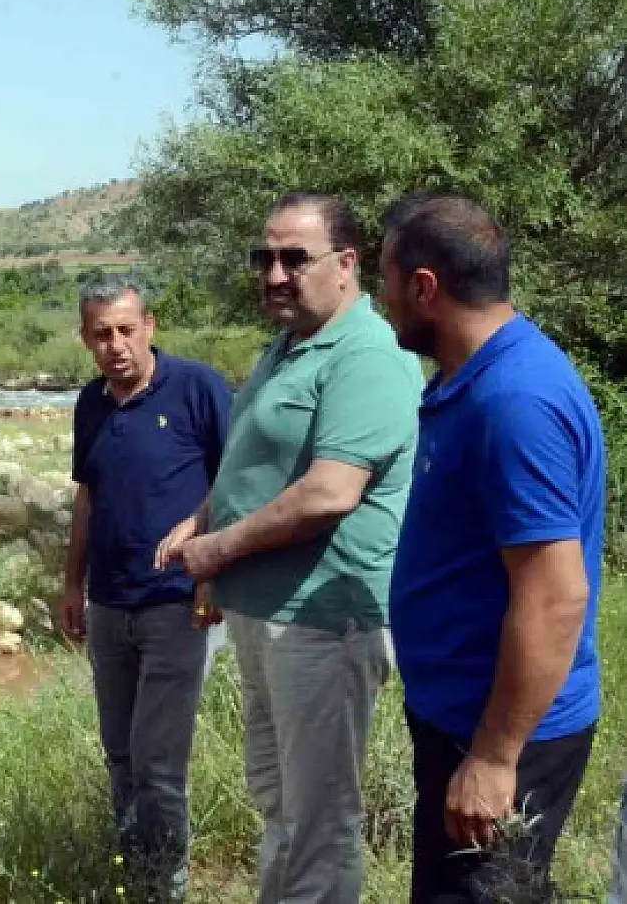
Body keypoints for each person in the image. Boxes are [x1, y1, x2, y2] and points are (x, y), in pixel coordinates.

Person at [157, 191, 424, 904]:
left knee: (318, 821)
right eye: (263, 258)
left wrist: (218, 550)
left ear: (346, 263)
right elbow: (257, 456)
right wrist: (202, 518)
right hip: (264, 615)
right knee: (278, 804)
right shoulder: (287, 346)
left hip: (322, 619)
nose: (273, 275)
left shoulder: (369, 355)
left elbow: (329, 492)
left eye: (292, 259)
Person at [377, 193, 603, 904]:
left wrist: (495, 756)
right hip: (460, 717)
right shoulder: (467, 380)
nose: (379, 302)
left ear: (425, 288)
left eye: (384, 281)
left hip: (505, 735)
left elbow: (556, 596)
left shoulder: (515, 401)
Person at [59, 270, 233, 901]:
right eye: (102, 333)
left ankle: (167, 885)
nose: (116, 344)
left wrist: (200, 537)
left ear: (150, 326)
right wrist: (71, 585)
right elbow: (88, 496)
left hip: (175, 605)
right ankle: (134, 869)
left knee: (159, 761)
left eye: (127, 329)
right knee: (120, 753)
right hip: (109, 605)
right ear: (85, 338)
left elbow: (238, 478)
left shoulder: (198, 388)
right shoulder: (90, 404)